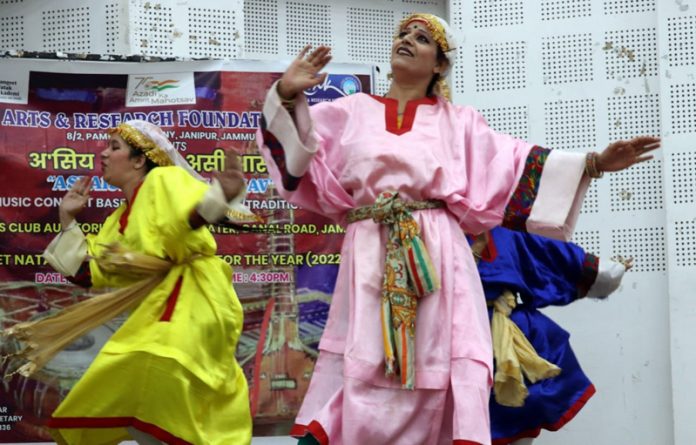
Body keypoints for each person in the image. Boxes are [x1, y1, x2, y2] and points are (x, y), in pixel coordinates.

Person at [255, 12, 659, 445]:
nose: (407, 39)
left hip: (438, 259)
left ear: (439, 65)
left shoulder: (461, 123)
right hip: (370, 253)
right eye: (402, 34)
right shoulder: (347, 112)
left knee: (434, 365)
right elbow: (297, 160)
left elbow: (515, 168)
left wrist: (595, 164)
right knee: (364, 362)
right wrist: (286, 91)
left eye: (422, 37)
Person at [5, 120, 253, 444]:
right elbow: (88, 274)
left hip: (198, 300)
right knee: (131, 398)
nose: (103, 154)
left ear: (139, 160)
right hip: (163, 310)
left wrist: (220, 196)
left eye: (114, 148)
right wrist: (67, 219)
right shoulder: (117, 219)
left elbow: (192, 215)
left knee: (152, 363)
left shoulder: (164, 179)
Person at [472, 227, 630, 445]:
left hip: (501, 335)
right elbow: (552, 261)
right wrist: (607, 273)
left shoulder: (501, 236)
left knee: (519, 409)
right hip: (465, 336)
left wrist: (605, 271)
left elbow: (551, 259)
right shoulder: (497, 235)